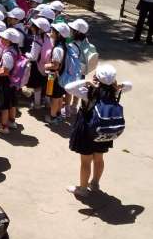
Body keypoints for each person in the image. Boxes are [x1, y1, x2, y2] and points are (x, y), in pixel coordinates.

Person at [66, 63, 132, 196]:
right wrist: (117, 85)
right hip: (104, 130)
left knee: (86, 161)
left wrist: (86, 82)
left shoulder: (88, 92)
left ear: (96, 77)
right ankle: (95, 184)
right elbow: (130, 85)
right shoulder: (115, 92)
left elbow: (68, 87)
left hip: (87, 129)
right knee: (99, 158)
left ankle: (82, 189)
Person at [0, 27, 22, 133]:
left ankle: (4, 127)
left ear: (9, 41)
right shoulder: (17, 50)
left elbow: (5, 72)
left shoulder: (7, 54)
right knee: (12, 102)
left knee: (4, 104)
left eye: (3, 38)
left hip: (6, 82)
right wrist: (0, 68)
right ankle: (12, 122)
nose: (1, 39)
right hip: (14, 81)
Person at [44, 22, 70, 125]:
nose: (51, 32)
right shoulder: (64, 45)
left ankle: (53, 117)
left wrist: (46, 66)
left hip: (54, 76)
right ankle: (58, 114)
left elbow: (55, 65)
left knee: (54, 97)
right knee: (59, 96)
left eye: (53, 31)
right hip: (61, 76)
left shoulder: (57, 49)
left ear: (58, 34)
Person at [25, 16, 51, 108]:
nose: (31, 27)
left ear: (40, 29)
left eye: (34, 26)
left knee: (37, 86)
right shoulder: (49, 38)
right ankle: (48, 103)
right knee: (48, 84)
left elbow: (33, 57)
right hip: (49, 66)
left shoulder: (37, 41)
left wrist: (25, 54)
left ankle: (37, 104)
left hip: (38, 66)